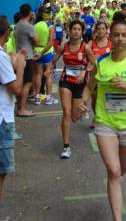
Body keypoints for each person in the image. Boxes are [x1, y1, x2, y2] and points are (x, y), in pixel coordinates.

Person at [79, 12, 126, 221]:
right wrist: (83, 101)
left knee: (121, 170)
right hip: (105, 122)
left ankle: (117, 182)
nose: (120, 39)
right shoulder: (101, 61)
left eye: (124, 35)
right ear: (109, 37)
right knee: (113, 170)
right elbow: (89, 86)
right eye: (116, 35)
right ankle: (117, 218)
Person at [49, 20, 95, 159]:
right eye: (73, 29)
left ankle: (81, 109)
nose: (75, 31)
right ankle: (66, 146)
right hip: (66, 81)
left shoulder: (85, 47)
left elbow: (93, 63)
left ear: (82, 32)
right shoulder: (64, 46)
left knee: (75, 117)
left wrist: (84, 72)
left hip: (80, 83)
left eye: (78, 29)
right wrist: (49, 68)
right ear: (69, 31)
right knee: (66, 112)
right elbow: (54, 60)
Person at [0, 15, 26, 199]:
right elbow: (16, 88)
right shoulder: (1, 57)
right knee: (2, 168)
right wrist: (20, 66)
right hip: (2, 118)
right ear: (7, 33)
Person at [15, 3, 40, 117]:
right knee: (27, 83)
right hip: (28, 57)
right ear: (30, 13)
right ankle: (22, 109)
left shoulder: (18, 24)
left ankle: (19, 107)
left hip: (19, 56)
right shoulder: (29, 26)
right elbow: (37, 42)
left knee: (20, 83)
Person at [87, 21, 112, 129]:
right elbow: (84, 54)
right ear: (96, 31)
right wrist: (91, 61)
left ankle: (105, 118)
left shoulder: (111, 43)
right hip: (94, 76)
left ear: (106, 30)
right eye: (99, 29)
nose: (101, 31)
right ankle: (97, 115)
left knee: (107, 98)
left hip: (107, 76)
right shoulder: (91, 43)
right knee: (94, 98)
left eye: (103, 29)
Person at [32, 5, 57, 105]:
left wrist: (38, 52)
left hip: (37, 51)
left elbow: (33, 41)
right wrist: (42, 52)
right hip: (47, 52)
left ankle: (37, 97)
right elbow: (50, 43)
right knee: (48, 75)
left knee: (38, 74)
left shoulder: (35, 25)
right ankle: (48, 98)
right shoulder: (50, 26)